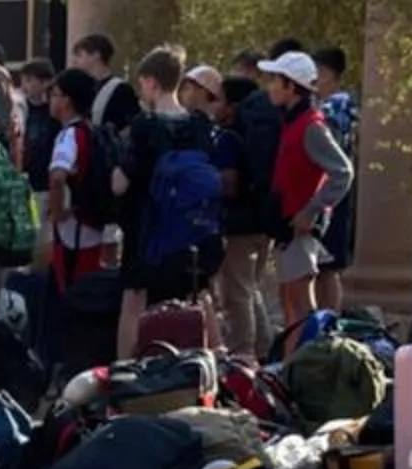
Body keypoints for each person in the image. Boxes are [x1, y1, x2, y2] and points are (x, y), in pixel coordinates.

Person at [113, 46, 225, 358]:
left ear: (150, 82)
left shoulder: (145, 126)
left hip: (147, 228)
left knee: (134, 300)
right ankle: (219, 363)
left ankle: (125, 370)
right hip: (192, 228)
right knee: (200, 295)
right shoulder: (199, 125)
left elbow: (121, 183)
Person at [260, 49, 354, 351]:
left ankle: (309, 367)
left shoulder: (311, 126)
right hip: (287, 227)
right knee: (290, 302)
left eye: (276, 80)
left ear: (291, 86)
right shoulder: (293, 122)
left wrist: (311, 210)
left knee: (302, 305)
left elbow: (343, 172)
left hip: (301, 231)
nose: (270, 86)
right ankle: (293, 367)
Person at [216, 60, 285, 361]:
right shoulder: (262, 124)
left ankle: (243, 354)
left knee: (237, 293)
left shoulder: (232, 136)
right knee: (251, 288)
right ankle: (266, 348)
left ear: (231, 105)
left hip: (241, 223)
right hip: (264, 217)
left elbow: (230, 182)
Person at [45, 66, 121, 296]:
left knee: (71, 295)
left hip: (73, 234)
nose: (51, 100)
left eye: (55, 94)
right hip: (96, 227)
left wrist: (56, 212)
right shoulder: (95, 132)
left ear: (67, 100)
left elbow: (58, 177)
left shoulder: (69, 135)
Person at [315, 46, 358, 312]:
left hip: (332, 191)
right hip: (335, 190)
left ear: (327, 74)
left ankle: (329, 318)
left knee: (328, 267)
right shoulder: (347, 104)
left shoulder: (335, 106)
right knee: (322, 267)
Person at [69, 31, 141, 153]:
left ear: (96, 55)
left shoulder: (120, 89)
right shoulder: (79, 88)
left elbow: (130, 128)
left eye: (80, 55)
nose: (75, 61)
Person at [18, 59, 57, 197]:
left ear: (45, 82)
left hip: (46, 183)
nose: (24, 86)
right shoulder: (20, 109)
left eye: (29, 80)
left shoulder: (54, 113)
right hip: (24, 179)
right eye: (23, 81)